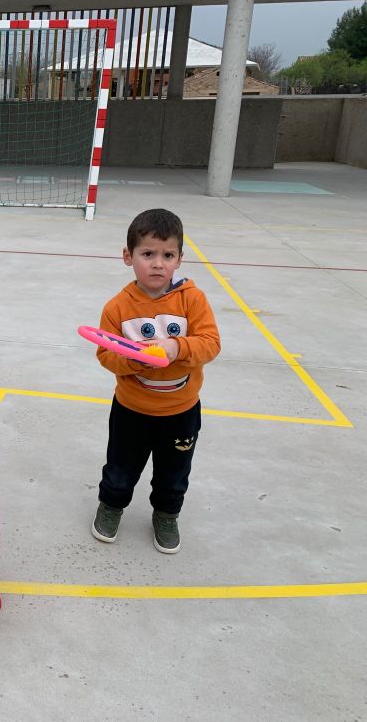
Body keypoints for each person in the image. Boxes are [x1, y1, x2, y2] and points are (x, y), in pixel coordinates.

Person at [90, 208, 221, 555]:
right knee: (120, 468)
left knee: (174, 472)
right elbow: (105, 354)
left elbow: (210, 343)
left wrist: (177, 347)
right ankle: (111, 506)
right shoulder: (117, 308)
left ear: (179, 259)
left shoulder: (192, 300)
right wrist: (133, 360)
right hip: (132, 409)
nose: (158, 264)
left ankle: (166, 514)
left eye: (168, 255)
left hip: (181, 410)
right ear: (128, 256)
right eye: (148, 254)